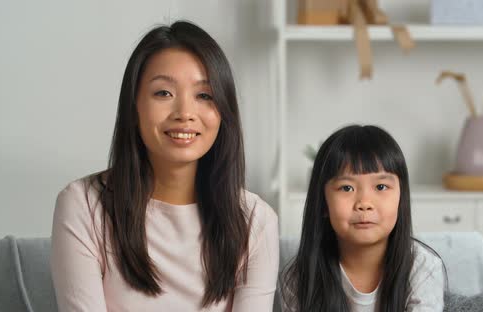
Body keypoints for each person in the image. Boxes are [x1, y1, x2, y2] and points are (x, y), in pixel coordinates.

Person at [50, 21, 279, 312]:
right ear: (134, 107)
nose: (185, 113)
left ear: (224, 111)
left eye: (204, 95)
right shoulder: (83, 205)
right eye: (163, 93)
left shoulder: (255, 221)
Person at [280, 125, 445, 312]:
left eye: (381, 187)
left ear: (401, 198)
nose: (364, 203)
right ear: (323, 203)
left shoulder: (422, 267)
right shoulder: (300, 278)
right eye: (346, 188)